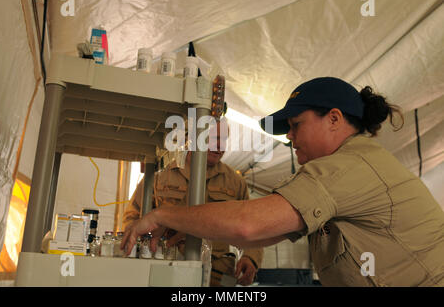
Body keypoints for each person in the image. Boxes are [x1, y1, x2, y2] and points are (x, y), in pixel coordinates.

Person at [122, 77, 444, 286]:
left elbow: (248, 225)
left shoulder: (346, 166)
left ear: (334, 119)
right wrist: (188, 226)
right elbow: (264, 233)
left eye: (295, 125)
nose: (289, 137)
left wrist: (162, 215)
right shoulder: (352, 163)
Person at [122, 119, 263, 286]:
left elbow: (253, 223)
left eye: (224, 139)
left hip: (217, 273)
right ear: (192, 138)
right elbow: (133, 216)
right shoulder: (160, 176)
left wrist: (251, 258)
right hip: (168, 265)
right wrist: (140, 248)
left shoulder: (235, 182)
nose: (220, 146)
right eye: (213, 138)